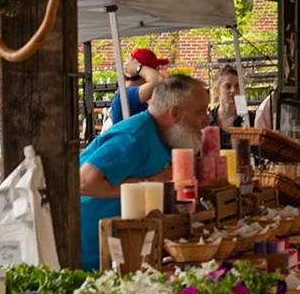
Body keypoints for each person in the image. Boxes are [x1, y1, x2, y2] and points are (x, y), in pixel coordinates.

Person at [78, 74, 211, 271]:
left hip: (120, 254)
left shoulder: (166, 137)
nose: (207, 120)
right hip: (86, 258)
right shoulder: (134, 138)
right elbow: (84, 182)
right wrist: (149, 182)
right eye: (201, 111)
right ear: (174, 114)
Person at [105, 46, 167, 124]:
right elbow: (158, 80)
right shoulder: (128, 94)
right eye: (156, 70)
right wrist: (138, 68)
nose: (158, 72)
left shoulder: (128, 94)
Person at [212, 63, 247, 133]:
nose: (233, 90)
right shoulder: (209, 121)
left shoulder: (248, 120)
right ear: (217, 90)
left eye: (237, 86)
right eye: (228, 86)